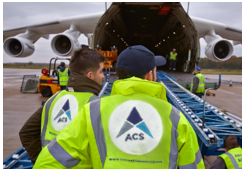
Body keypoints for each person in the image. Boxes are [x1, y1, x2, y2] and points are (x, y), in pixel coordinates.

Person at [33, 45, 205, 169]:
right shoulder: (174, 117)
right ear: (150, 74)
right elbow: (193, 166)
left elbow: (49, 161)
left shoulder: (93, 111)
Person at [19, 48, 105, 164]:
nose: (103, 76)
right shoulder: (96, 105)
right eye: (101, 72)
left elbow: (27, 132)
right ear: (90, 75)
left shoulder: (53, 99)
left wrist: (42, 161)